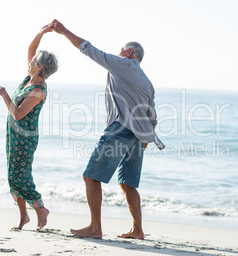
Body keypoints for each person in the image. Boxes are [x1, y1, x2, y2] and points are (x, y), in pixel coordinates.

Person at [51, 19, 165, 239]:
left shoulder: (122, 64)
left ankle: (95, 228)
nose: (118, 52)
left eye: (121, 50)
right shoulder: (147, 82)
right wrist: (145, 139)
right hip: (138, 138)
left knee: (91, 177)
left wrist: (64, 31)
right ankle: (137, 230)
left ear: (129, 52)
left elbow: (89, 50)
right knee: (128, 183)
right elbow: (152, 114)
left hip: (119, 130)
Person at [0, 24, 58, 231]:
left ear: (40, 67)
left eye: (33, 61)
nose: (29, 61)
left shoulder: (38, 90)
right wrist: (41, 33)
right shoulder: (29, 79)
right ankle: (23, 217)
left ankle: (40, 208)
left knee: (18, 176)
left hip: (25, 137)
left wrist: (4, 95)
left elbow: (18, 113)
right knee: (12, 175)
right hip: (13, 134)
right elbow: (31, 51)